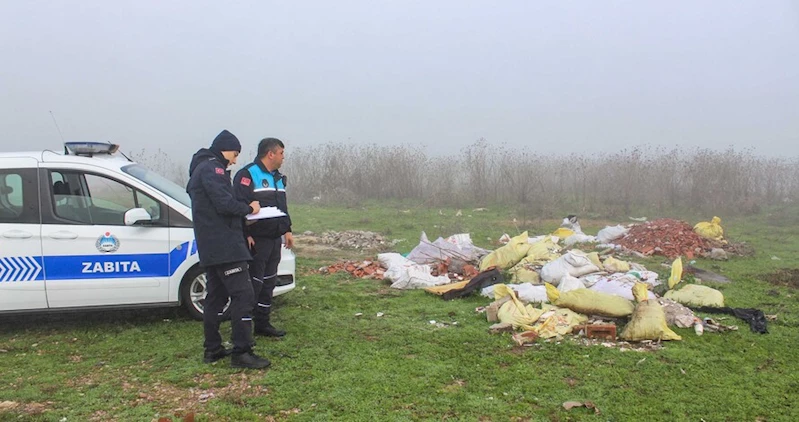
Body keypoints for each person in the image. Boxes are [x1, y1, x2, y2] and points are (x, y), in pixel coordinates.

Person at [186, 129, 271, 369]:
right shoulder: (213, 169)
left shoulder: (201, 168)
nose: (235, 160)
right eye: (234, 154)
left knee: (215, 297)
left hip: (212, 245)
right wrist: (249, 209)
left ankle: (212, 349)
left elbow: (216, 205)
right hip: (225, 245)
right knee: (244, 295)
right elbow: (224, 203)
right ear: (225, 149)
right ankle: (241, 351)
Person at [233, 137, 294, 337]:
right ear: (271, 154)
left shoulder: (278, 177)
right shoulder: (247, 175)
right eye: (281, 153)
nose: (283, 158)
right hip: (256, 240)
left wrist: (287, 230)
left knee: (269, 281)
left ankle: (263, 323)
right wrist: (246, 233)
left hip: (275, 238)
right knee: (255, 283)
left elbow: (282, 206)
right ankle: (245, 328)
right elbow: (239, 207)